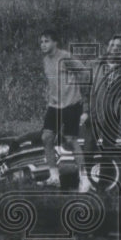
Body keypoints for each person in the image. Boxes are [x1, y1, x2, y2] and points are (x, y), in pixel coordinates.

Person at [39, 30, 90, 191]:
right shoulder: (46, 60)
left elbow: (84, 72)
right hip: (54, 106)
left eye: (46, 41)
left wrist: (79, 93)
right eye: (41, 42)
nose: (43, 45)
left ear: (55, 43)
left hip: (71, 105)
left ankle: (85, 180)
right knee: (46, 137)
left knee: (70, 140)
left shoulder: (65, 57)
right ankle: (54, 177)